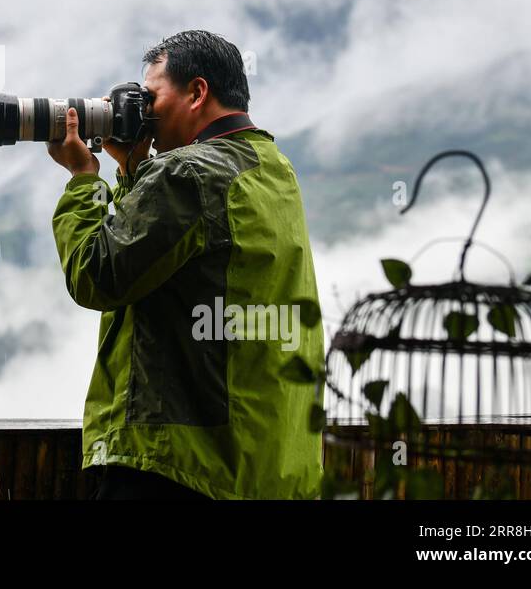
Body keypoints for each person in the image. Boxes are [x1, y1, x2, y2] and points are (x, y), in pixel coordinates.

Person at [49, 29, 324, 500]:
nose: (144, 115)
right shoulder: (271, 166)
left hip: (179, 466)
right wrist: (134, 169)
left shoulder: (187, 172)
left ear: (197, 92)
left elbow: (98, 277)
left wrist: (83, 180)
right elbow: (182, 252)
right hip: (265, 465)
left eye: (151, 97)